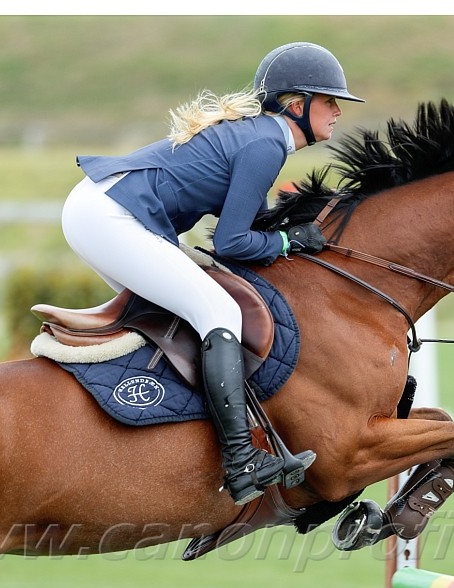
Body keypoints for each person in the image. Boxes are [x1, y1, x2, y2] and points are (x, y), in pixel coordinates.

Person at [61, 42, 364, 505]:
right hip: (111, 216)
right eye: (329, 101)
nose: (338, 111)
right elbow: (233, 243)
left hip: (103, 209)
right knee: (219, 309)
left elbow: (247, 226)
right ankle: (241, 462)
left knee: (186, 311)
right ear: (296, 105)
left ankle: (165, 431)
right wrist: (290, 241)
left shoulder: (261, 135)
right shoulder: (266, 143)